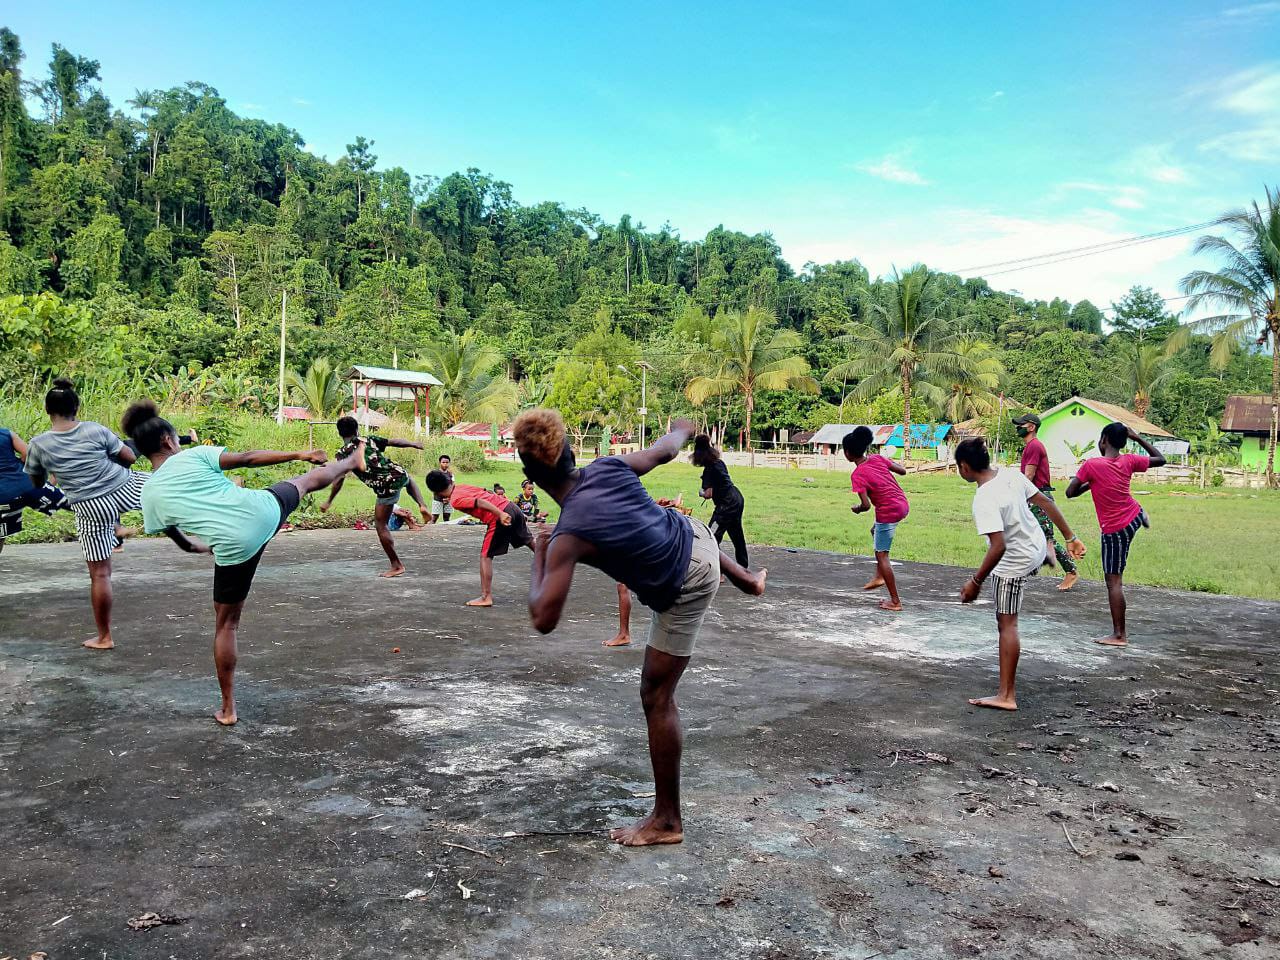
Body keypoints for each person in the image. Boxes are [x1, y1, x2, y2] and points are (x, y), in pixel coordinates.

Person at [515, 409, 767, 846]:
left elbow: (544, 618)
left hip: (689, 582)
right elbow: (663, 450)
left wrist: (541, 549)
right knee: (676, 530)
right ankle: (746, 578)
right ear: (573, 454)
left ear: (530, 474)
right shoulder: (607, 468)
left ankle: (667, 821)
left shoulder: (568, 534)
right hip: (695, 534)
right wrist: (682, 432)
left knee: (656, 695)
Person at [123, 399, 362, 726]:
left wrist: (206, 547)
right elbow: (248, 459)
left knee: (226, 625)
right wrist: (299, 454)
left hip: (234, 547)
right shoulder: (194, 454)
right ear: (168, 440)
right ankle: (351, 461)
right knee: (304, 482)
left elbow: (183, 542)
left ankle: (228, 708)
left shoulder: (148, 495)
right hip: (262, 511)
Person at [955, 438, 1085, 711]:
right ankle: (1047, 557)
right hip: (1036, 545)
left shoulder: (984, 498)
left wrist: (975, 582)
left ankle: (1006, 695)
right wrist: (1070, 537)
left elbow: (998, 546)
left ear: (964, 467)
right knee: (1008, 613)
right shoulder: (1011, 474)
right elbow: (1046, 502)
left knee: (1007, 624)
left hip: (1014, 560)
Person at [24, 378, 147, 651]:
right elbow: (129, 457)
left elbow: (36, 482)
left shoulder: (38, 444)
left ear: (46, 410)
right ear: (77, 407)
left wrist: (59, 471)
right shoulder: (95, 430)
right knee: (173, 488)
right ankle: (222, 502)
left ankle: (104, 637)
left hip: (90, 506)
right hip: (125, 486)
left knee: (101, 575)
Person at [1066, 422, 1165, 647]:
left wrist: (1090, 483)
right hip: (1131, 518)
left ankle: (1119, 635)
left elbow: (1070, 492)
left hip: (1114, 529)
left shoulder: (1092, 465)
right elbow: (1160, 459)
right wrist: (1138, 439)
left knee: (1114, 583)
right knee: (1132, 507)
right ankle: (1141, 514)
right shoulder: (1129, 460)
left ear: (1103, 441)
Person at [318, 417, 432, 578]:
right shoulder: (368, 439)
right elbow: (394, 442)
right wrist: (413, 444)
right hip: (397, 473)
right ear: (357, 430)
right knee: (408, 479)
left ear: (339, 433)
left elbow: (339, 480)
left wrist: (329, 501)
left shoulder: (342, 454)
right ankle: (422, 504)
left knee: (380, 525)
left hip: (384, 487)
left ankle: (396, 565)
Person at [424, 469, 533, 607]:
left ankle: (486, 597)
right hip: (511, 506)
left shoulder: (455, 500)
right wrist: (510, 511)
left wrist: (500, 513)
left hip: (499, 515)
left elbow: (480, 502)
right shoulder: (461, 487)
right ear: (449, 481)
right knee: (529, 541)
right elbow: (487, 492)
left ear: (436, 493)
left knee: (485, 556)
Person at [842, 427, 909, 611]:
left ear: (847, 454)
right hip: (902, 504)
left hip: (888, 511)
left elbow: (866, 505)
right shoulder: (878, 458)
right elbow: (902, 471)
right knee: (874, 531)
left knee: (882, 555)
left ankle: (895, 601)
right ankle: (879, 575)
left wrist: (857, 509)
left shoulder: (857, 475)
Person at [1013, 413, 1078, 591]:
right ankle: (1026, 570)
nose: (1017, 428)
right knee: (1027, 534)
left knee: (1045, 539)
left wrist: (1016, 494)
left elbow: (1029, 476)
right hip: (1034, 496)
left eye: (1021, 424)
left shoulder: (1034, 446)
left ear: (1032, 427)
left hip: (1039, 497)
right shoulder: (1030, 447)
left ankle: (1071, 571)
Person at [691, 435, 748, 569]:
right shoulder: (719, 462)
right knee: (736, 534)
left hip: (725, 506)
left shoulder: (709, 469)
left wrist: (701, 492)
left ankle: (717, 571)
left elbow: (708, 494)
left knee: (712, 536)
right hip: (737, 498)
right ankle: (743, 567)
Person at [1, 426, 68, 515]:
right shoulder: (5, 433)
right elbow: (28, 454)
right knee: (74, 504)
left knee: (8, 526)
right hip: (28, 484)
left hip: (4, 496)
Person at [428, 455, 453, 523]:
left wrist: (449, 498)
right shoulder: (435, 474)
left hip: (448, 499)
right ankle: (429, 531)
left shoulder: (450, 474)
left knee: (447, 517)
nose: (445, 464)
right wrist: (442, 497)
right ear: (440, 463)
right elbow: (433, 488)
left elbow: (452, 486)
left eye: (447, 462)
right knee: (434, 517)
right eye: (443, 462)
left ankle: (446, 532)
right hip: (437, 499)